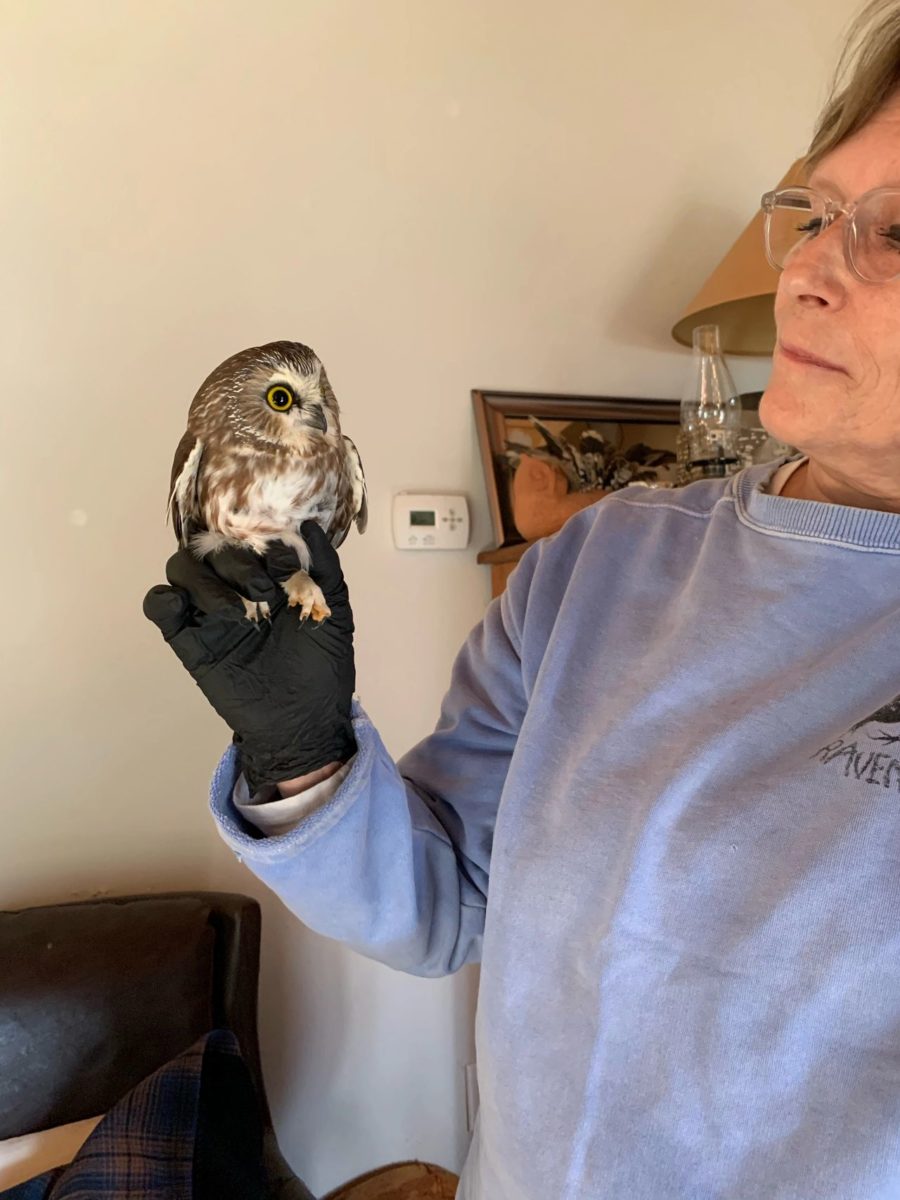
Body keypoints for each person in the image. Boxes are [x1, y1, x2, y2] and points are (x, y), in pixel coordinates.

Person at [144, 4, 900, 1195]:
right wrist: (302, 760)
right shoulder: (597, 564)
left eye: (895, 233)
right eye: (810, 213)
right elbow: (447, 903)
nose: (805, 270)